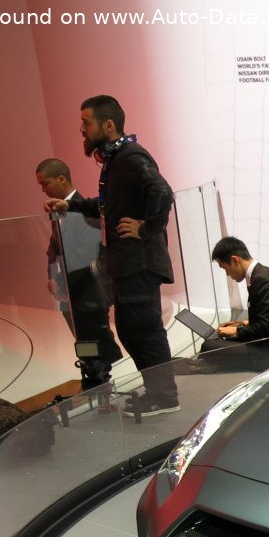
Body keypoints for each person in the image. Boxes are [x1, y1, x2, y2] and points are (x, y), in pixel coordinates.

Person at [45, 95, 179, 417]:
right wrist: (71, 204)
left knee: (143, 330)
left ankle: (165, 397)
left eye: (86, 122)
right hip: (127, 265)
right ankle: (158, 393)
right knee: (132, 331)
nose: (81, 129)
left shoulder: (130, 157)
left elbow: (162, 192)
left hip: (139, 264)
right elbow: (108, 207)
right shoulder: (117, 160)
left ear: (107, 125)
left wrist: (146, 228)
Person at [35, 158, 122, 389]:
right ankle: (94, 380)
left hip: (88, 290)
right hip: (72, 291)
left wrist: (59, 279)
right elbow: (53, 248)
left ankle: (101, 381)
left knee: (96, 341)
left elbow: (85, 255)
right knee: (84, 342)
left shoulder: (86, 211)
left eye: (45, 183)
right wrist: (52, 276)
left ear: (62, 179)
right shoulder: (58, 212)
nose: (43, 190)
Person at [189, 236, 269, 373]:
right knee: (218, 342)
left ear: (235, 260)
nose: (228, 275)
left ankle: (207, 365)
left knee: (209, 346)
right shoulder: (265, 274)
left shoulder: (261, 280)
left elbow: (266, 327)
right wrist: (241, 324)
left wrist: (237, 331)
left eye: (225, 268)